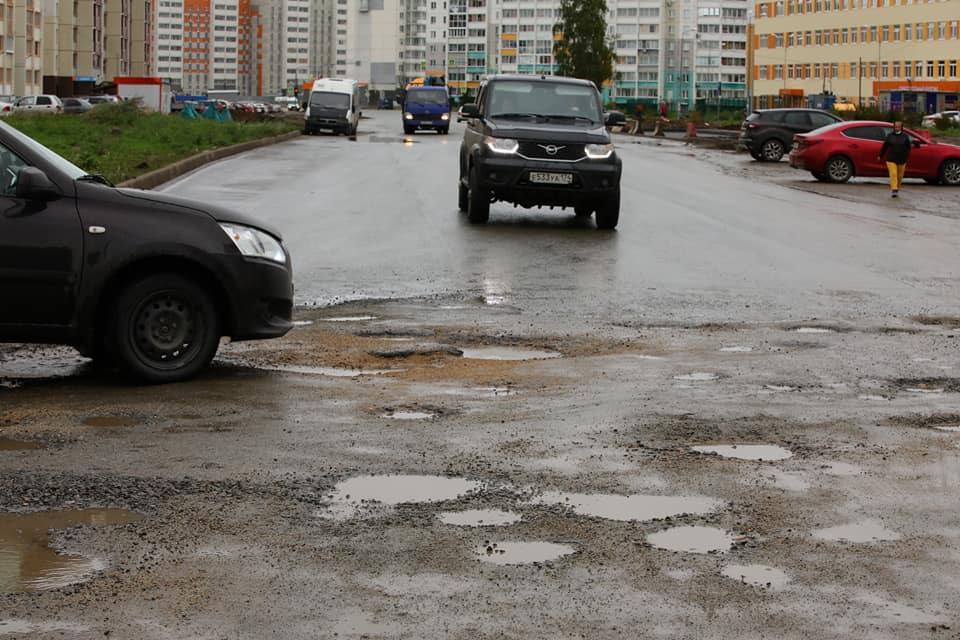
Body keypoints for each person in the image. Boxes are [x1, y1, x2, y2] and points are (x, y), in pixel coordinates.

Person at [878, 120, 911, 198]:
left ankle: (897, 188)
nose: (897, 128)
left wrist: (906, 155)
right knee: (893, 174)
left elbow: (908, 147)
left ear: (901, 127)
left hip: (902, 159)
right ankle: (894, 190)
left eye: (898, 126)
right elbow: (885, 147)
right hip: (891, 159)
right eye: (895, 126)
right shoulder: (890, 136)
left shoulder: (905, 136)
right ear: (894, 127)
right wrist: (880, 155)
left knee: (899, 176)